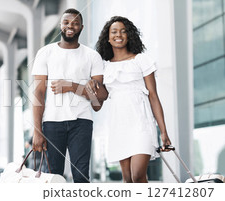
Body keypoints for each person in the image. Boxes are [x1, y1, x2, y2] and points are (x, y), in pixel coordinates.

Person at [31, 8, 107, 183]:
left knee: (81, 177)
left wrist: (71, 86)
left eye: (75, 23)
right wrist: (37, 130)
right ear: (60, 25)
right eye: (66, 22)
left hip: (82, 122)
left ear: (81, 27)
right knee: (53, 177)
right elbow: (39, 92)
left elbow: (98, 101)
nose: (70, 26)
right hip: (52, 122)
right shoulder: (45, 53)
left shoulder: (92, 56)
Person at [95, 16, 172, 183]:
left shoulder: (141, 60)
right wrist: (84, 88)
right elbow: (98, 103)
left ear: (129, 35)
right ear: (108, 38)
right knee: (128, 180)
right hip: (118, 125)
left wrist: (164, 131)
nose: (119, 35)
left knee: (138, 176)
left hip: (141, 123)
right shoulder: (105, 67)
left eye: (123, 31)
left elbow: (153, 95)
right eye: (114, 32)